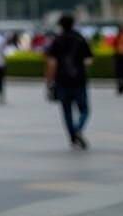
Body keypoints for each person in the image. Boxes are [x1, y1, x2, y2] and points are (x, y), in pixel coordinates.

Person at [46, 14, 94, 149]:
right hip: (79, 79)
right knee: (84, 109)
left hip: (62, 80)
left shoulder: (57, 40)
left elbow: (52, 63)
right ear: (73, 24)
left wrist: (49, 81)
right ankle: (78, 128)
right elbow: (89, 60)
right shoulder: (80, 39)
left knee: (66, 111)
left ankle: (73, 136)